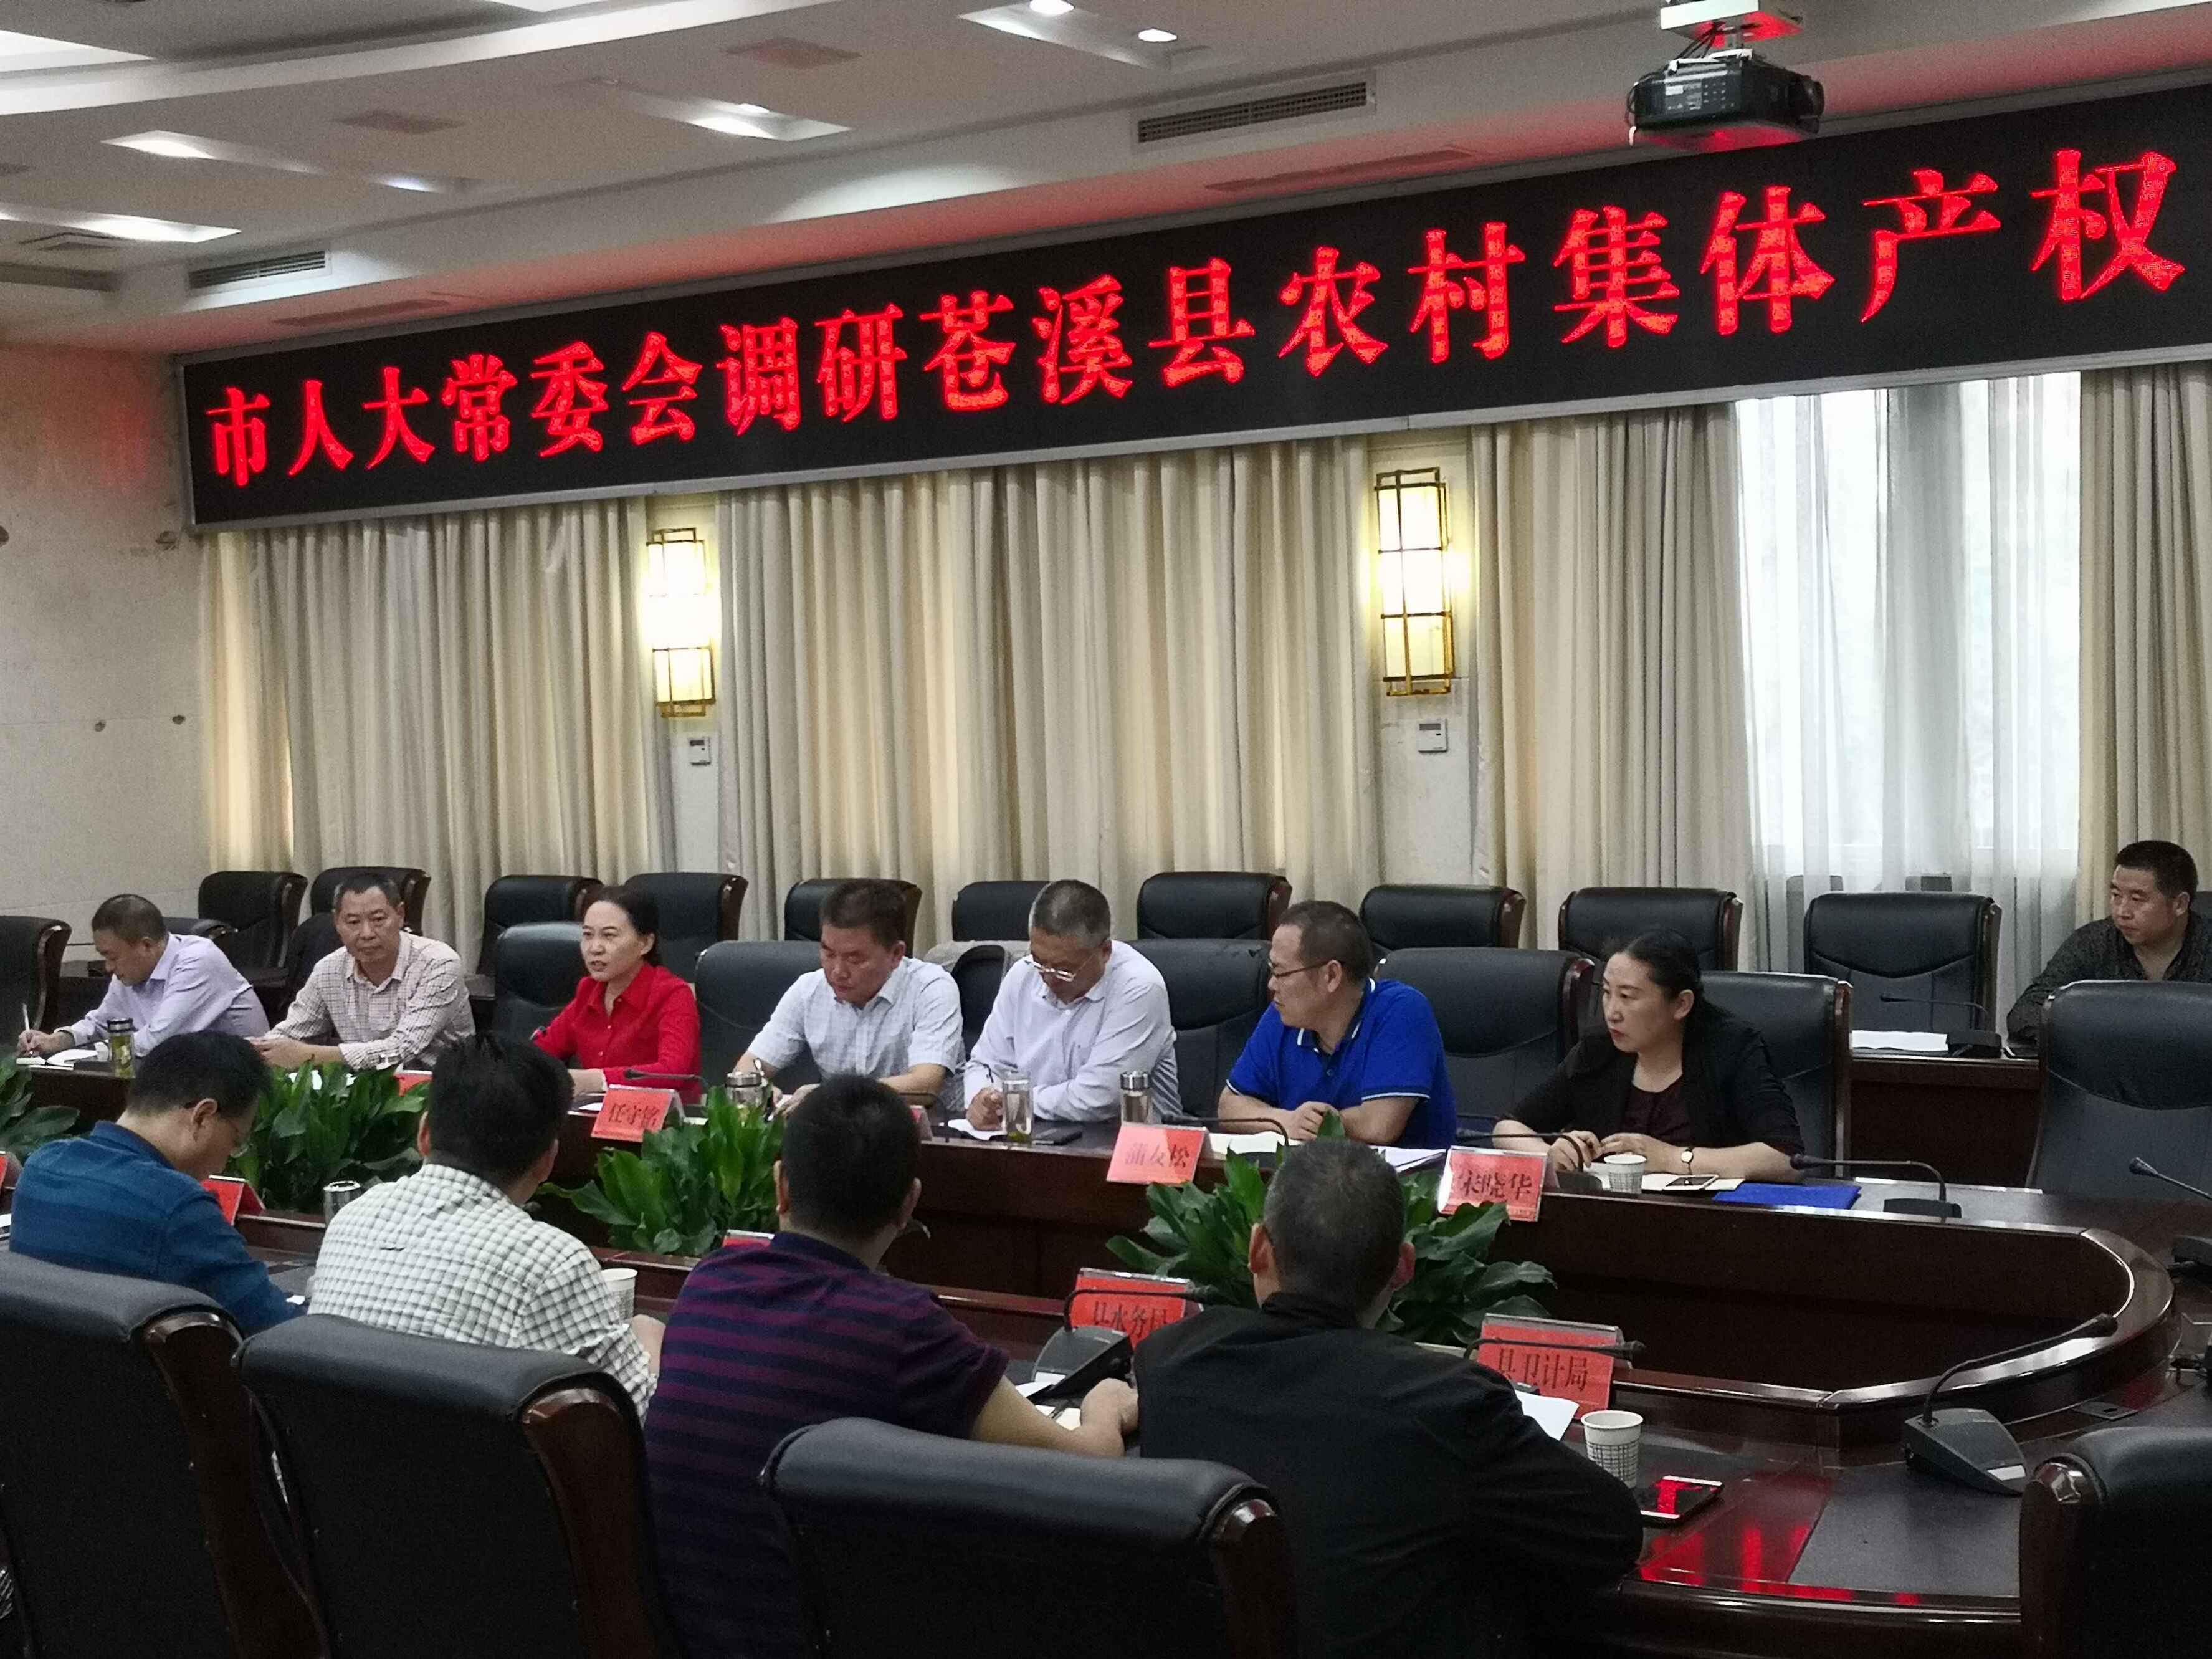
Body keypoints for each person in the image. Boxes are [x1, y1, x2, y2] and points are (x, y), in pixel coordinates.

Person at [645, 1075, 1137, 1659]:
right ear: (909, 1204)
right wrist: (1106, 1407)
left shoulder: (707, 1287)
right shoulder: (902, 1328)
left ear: (780, 1186)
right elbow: (1086, 1471)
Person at [1137, 1139, 1644, 1659]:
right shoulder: (1448, 1403)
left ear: (1258, 1248)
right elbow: (1612, 1533)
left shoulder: (1169, 1363)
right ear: (1403, 1266)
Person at [308, 1034, 659, 1413]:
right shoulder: (553, 1263)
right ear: (548, 1160)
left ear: (424, 1134)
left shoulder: (351, 1219)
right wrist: (651, 1341)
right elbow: (631, 1417)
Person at [10, 1032, 298, 1333]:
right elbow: (278, 1332)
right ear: (202, 1116)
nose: (226, 1161)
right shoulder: (178, 1206)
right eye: (236, 1141)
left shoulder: (41, 1169)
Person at [1493, 930, 1801, 1185]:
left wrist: (1672, 1158)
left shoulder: (1731, 1048)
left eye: (1627, 997)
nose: (1612, 1012)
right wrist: (1549, 1154)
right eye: (1607, 993)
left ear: (1681, 1005)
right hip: (1610, 1220)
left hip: (1711, 1220)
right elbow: (1508, 1128)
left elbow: (1785, 1159)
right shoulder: (1599, 1049)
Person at [1218, 901, 1455, 1147]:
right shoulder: (1282, 1015)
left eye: (1281, 973)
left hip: (1397, 1171)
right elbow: (1229, 1106)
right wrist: (1286, 1121)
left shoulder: (1401, 1010)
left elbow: (1379, 1126)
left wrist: (1320, 1123)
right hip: (1308, 1169)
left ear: (1331, 976)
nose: (1272, 985)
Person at [732, 878, 963, 1107]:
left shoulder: (931, 988)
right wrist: (761, 1089)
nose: (837, 971)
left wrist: (832, 1095)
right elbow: (748, 1067)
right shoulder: (809, 990)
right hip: (841, 1127)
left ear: (896, 954)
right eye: (828, 953)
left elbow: (925, 1085)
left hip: (932, 1127)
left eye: (854, 958)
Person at [963, 879, 1178, 1126]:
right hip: (1030, 1134)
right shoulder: (1024, 974)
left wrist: (1015, 1101)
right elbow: (985, 1064)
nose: (1048, 978)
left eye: (1064, 970)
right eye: (1039, 961)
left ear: (1105, 952)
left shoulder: (1139, 987)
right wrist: (982, 1100)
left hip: (1126, 1140)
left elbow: (1099, 1097)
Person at [254, 871, 473, 1072]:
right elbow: (292, 1032)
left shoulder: (438, 963)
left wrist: (309, 1055)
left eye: (378, 920)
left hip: (441, 1086)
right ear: (337, 923)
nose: (367, 934)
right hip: (364, 1089)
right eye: (353, 922)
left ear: (400, 915)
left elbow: (402, 1049)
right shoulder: (329, 969)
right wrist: (256, 1050)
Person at [2007, 839, 2212, 1048]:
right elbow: (2027, 1011)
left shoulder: (2207, 945)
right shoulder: (2093, 943)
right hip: (2107, 1065)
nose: (2122, 912)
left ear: (2180, 904)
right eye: (2116, 896)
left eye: (2137, 899)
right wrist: (2093, 1038)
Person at [17, 894, 266, 1058]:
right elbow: (102, 1024)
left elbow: (158, 1041)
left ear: (146, 946)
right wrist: (57, 1040)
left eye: (112, 957)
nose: (108, 968)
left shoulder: (198, 960)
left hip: (240, 1084)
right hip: (184, 1079)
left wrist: (90, 1054)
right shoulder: (130, 972)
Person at [534, 883, 700, 1099]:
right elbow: (540, 1052)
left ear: (645, 944)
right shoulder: (589, 990)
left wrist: (597, 1080)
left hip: (664, 1118)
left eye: (609, 936)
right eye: (587, 935)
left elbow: (674, 1072)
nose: (595, 948)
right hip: (595, 1115)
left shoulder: (672, 994)